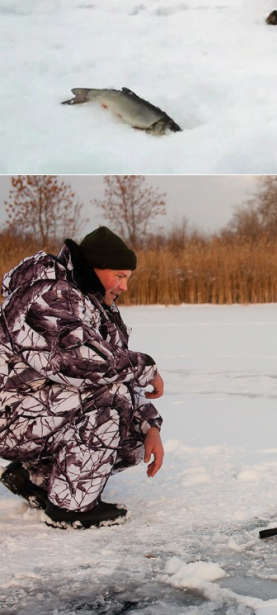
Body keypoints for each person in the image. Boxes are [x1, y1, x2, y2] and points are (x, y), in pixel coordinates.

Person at [0, 224, 164, 529]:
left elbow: (115, 365)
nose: (124, 287)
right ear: (94, 268)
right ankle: (72, 508)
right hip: (10, 415)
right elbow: (79, 362)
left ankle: (35, 477)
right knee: (112, 399)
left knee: (135, 439)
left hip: (35, 411)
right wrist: (147, 368)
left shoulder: (94, 303)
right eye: (120, 276)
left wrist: (151, 425)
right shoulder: (49, 294)